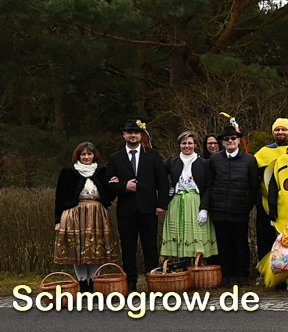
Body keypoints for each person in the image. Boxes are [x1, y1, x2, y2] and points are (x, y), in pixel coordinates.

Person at [106, 119, 169, 291]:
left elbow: (162, 182)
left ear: (141, 135)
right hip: (126, 211)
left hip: (149, 209)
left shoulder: (153, 155)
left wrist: (162, 204)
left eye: (136, 132)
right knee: (128, 248)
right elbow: (109, 185)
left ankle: (153, 281)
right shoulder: (115, 158)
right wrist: (123, 186)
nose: (133, 135)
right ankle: (131, 283)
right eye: (129, 132)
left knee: (150, 247)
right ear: (124, 135)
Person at [54, 142, 118, 291]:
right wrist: (57, 220)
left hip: (97, 214)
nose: (86, 157)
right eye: (83, 154)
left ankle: (95, 283)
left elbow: (109, 197)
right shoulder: (67, 173)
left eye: (89, 154)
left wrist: (113, 185)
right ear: (78, 156)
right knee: (78, 251)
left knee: (96, 250)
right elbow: (59, 197)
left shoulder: (102, 172)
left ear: (94, 155)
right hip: (74, 214)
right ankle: (83, 284)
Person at [203, 120, 257, 287]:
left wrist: (247, 206)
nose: (230, 141)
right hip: (219, 209)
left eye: (233, 138)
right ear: (222, 142)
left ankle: (242, 275)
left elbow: (253, 186)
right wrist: (207, 207)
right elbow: (210, 184)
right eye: (227, 139)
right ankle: (226, 275)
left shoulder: (249, 160)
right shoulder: (215, 159)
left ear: (239, 140)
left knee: (241, 244)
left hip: (240, 210)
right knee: (223, 244)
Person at [162, 131, 218, 261]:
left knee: (196, 237)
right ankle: (183, 266)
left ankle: (199, 266)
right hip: (177, 203)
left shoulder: (204, 163)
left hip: (196, 203)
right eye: (183, 143)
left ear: (196, 145)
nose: (186, 146)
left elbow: (209, 186)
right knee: (179, 235)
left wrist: (204, 208)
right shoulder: (172, 162)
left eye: (190, 143)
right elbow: (158, 176)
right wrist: (169, 190)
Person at [253, 118, 288, 261]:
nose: (280, 132)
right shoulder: (263, 152)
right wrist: (258, 199)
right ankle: (264, 268)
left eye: (284, 129)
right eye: (277, 130)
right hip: (266, 205)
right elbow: (253, 177)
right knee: (265, 239)